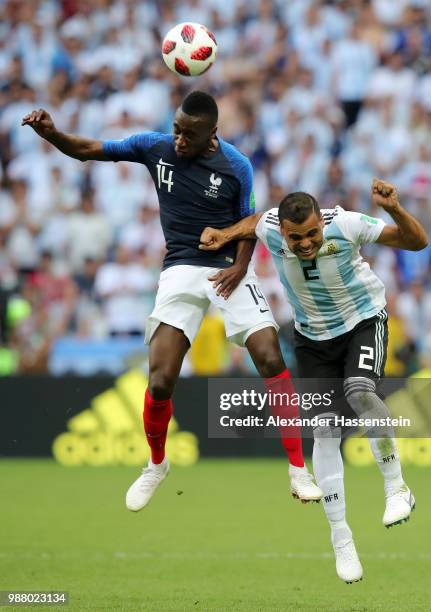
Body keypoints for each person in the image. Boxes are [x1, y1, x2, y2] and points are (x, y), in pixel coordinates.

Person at [22, 91, 322, 511]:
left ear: (212, 134)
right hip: (180, 267)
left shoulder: (236, 165)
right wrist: (51, 134)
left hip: (227, 265)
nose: (179, 139)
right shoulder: (155, 146)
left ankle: (297, 470)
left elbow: (250, 222)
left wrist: (239, 267)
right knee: (160, 379)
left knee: (270, 356)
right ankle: (156, 465)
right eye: (177, 129)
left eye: (189, 134)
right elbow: (89, 150)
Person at [200, 179, 428, 583]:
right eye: (296, 237)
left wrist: (393, 208)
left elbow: (417, 241)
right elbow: (254, 223)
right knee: (324, 430)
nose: (306, 243)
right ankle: (341, 538)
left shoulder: (347, 224)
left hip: (362, 321)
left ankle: (396, 487)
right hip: (311, 338)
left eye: (312, 234)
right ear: (282, 232)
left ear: (322, 222)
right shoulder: (272, 226)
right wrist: (226, 233)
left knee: (359, 392)